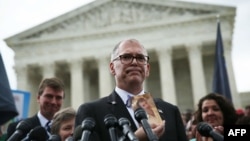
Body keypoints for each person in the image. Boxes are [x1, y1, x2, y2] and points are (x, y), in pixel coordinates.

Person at [75, 38, 188, 141]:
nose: (134, 62)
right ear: (112, 67)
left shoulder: (170, 111)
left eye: (140, 58)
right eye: (126, 57)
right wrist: (135, 139)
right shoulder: (91, 112)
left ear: (147, 69)